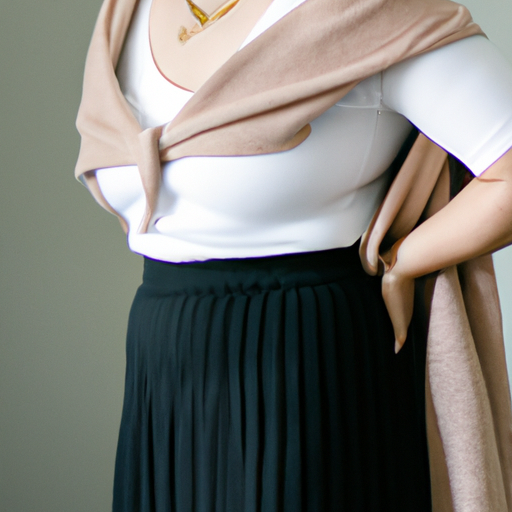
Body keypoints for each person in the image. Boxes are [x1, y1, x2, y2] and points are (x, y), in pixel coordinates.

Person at [75, 0, 512, 509]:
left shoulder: (369, 11)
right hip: (166, 366)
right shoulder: (127, 11)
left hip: (306, 366)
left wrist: (405, 261)